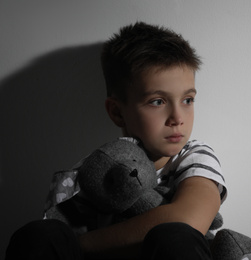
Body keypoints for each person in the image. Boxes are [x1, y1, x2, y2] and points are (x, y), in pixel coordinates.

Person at [6, 22, 227, 260]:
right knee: (39, 234)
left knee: (176, 236)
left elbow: (189, 219)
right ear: (117, 112)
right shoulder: (98, 168)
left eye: (187, 100)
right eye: (158, 101)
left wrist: (79, 246)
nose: (177, 118)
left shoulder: (193, 156)